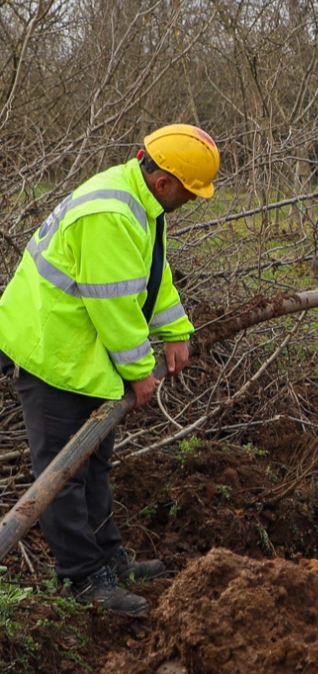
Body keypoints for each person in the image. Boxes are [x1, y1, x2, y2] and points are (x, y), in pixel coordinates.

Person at [0, 125, 219, 616]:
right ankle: (82, 579)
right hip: (51, 353)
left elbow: (151, 274)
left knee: (94, 462)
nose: (192, 200)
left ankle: (108, 559)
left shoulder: (141, 202)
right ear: (163, 181)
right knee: (63, 473)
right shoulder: (110, 213)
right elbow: (114, 303)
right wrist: (142, 372)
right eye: (190, 191)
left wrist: (176, 329)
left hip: (83, 353)